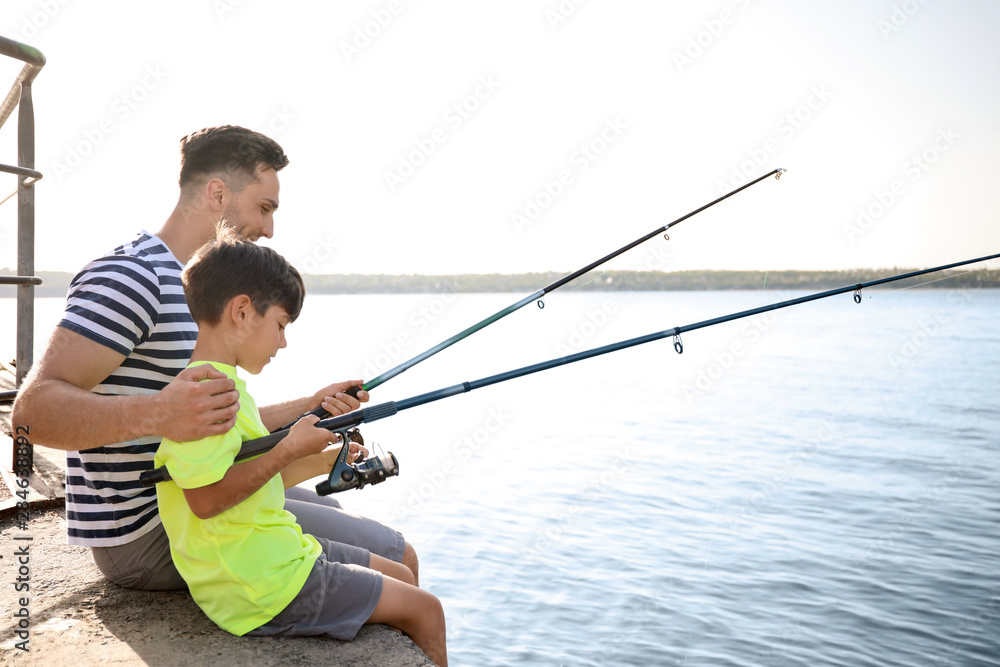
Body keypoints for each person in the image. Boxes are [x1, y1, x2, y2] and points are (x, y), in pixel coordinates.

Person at [12, 125, 418, 590]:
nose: (270, 229)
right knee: (398, 554)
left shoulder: (191, 283)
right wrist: (160, 412)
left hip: (183, 503)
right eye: (264, 208)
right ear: (218, 194)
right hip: (148, 532)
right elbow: (30, 416)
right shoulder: (132, 277)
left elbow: (205, 420)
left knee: (335, 509)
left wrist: (307, 406)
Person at [154, 228, 446, 665]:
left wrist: (327, 458)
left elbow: (254, 482)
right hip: (257, 584)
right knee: (427, 610)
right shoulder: (206, 396)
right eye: (280, 325)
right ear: (242, 312)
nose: (282, 342)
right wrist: (289, 448)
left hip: (273, 551)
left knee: (402, 571)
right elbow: (205, 500)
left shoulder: (227, 385)